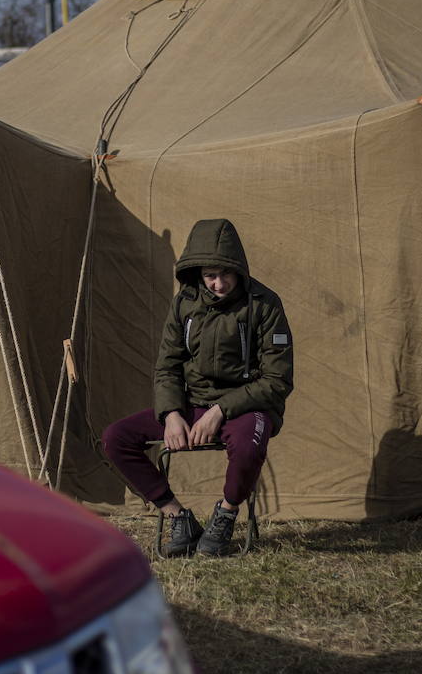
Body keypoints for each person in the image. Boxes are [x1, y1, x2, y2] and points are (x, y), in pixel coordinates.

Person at [103, 218, 293, 557]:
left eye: (225, 274)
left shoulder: (264, 304)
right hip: (193, 402)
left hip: (246, 407)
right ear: (198, 273)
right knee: (116, 437)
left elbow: (277, 381)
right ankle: (178, 518)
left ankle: (226, 513)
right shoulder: (184, 303)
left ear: (238, 269)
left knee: (249, 445)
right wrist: (172, 413)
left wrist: (220, 411)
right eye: (210, 276)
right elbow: (168, 366)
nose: (218, 284)